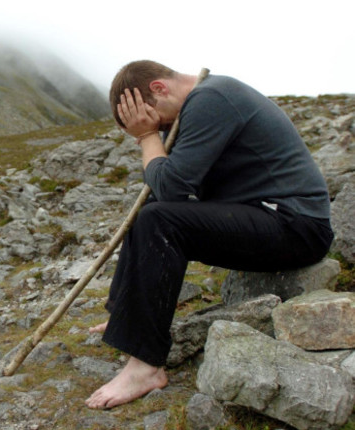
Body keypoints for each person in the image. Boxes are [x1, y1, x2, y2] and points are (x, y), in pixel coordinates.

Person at [84, 61, 333, 410]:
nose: (162, 127)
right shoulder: (203, 100)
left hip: (297, 227)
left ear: (158, 88)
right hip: (270, 218)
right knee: (152, 211)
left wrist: (147, 137)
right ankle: (127, 314)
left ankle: (145, 367)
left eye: (155, 118)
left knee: (160, 217)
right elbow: (170, 187)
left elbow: (171, 189)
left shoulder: (212, 98)